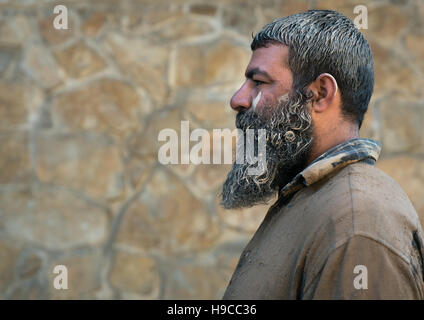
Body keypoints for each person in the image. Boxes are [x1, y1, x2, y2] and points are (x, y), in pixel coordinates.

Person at [221, 9, 424, 299]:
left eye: (260, 82)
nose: (238, 100)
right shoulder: (316, 199)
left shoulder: (357, 224)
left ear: (320, 93)